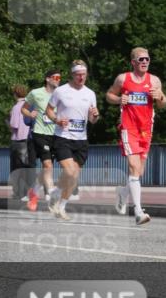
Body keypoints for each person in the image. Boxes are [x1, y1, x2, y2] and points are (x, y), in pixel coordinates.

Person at [105, 48, 166, 226]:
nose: (145, 62)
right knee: (133, 166)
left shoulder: (154, 80)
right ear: (133, 62)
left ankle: (123, 193)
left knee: (139, 172)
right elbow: (109, 95)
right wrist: (118, 100)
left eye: (147, 59)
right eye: (141, 59)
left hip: (146, 129)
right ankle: (138, 211)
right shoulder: (123, 79)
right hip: (128, 127)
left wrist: (160, 96)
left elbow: (163, 103)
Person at [44, 61, 99, 221]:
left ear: (86, 74)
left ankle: (60, 206)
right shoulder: (61, 91)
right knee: (69, 172)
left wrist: (95, 116)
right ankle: (56, 197)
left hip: (81, 139)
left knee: (74, 177)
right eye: (77, 74)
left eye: (83, 74)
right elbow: (48, 110)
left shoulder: (90, 93)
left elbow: (93, 119)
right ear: (72, 75)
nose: (81, 77)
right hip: (63, 137)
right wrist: (56, 120)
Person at [21, 70, 61, 211]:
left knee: (46, 168)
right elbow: (23, 109)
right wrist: (30, 114)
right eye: (56, 77)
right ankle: (51, 194)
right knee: (48, 165)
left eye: (59, 78)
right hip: (39, 133)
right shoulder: (36, 93)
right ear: (47, 79)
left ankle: (34, 191)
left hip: (55, 135)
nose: (58, 80)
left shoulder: (61, 94)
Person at [8, 84, 32, 200]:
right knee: (27, 167)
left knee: (16, 168)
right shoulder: (30, 105)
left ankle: (18, 192)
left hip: (18, 141)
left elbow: (14, 125)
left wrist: (8, 123)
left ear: (15, 94)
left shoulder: (16, 107)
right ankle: (27, 192)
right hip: (30, 140)